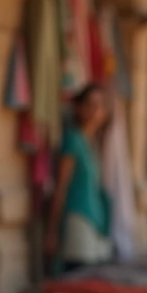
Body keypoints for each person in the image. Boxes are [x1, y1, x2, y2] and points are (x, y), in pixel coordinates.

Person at [46, 83, 112, 272]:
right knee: (79, 278)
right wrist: (52, 231)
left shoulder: (93, 144)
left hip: (95, 220)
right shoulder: (73, 140)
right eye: (90, 105)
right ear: (79, 108)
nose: (96, 111)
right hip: (78, 219)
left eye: (100, 105)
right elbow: (61, 186)